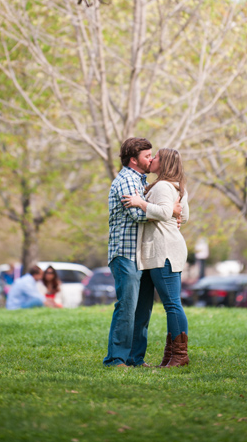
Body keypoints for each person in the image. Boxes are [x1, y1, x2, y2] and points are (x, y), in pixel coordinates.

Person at [104, 137, 182, 368]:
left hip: (141, 255)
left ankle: (135, 358)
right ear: (133, 159)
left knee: (142, 309)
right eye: (148, 156)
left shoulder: (142, 182)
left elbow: (156, 210)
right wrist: (169, 212)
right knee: (127, 307)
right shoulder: (128, 180)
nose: (151, 159)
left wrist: (168, 211)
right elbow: (138, 215)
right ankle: (115, 359)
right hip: (125, 253)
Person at [123, 148, 191, 367]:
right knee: (168, 304)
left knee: (172, 304)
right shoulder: (177, 186)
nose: (152, 160)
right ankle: (170, 356)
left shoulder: (162, 185)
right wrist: (172, 214)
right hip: (161, 251)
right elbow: (184, 215)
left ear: (165, 163)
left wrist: (140, 203)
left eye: (157, 158)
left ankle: (180, 355)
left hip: (165, 252)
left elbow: (164, 213)